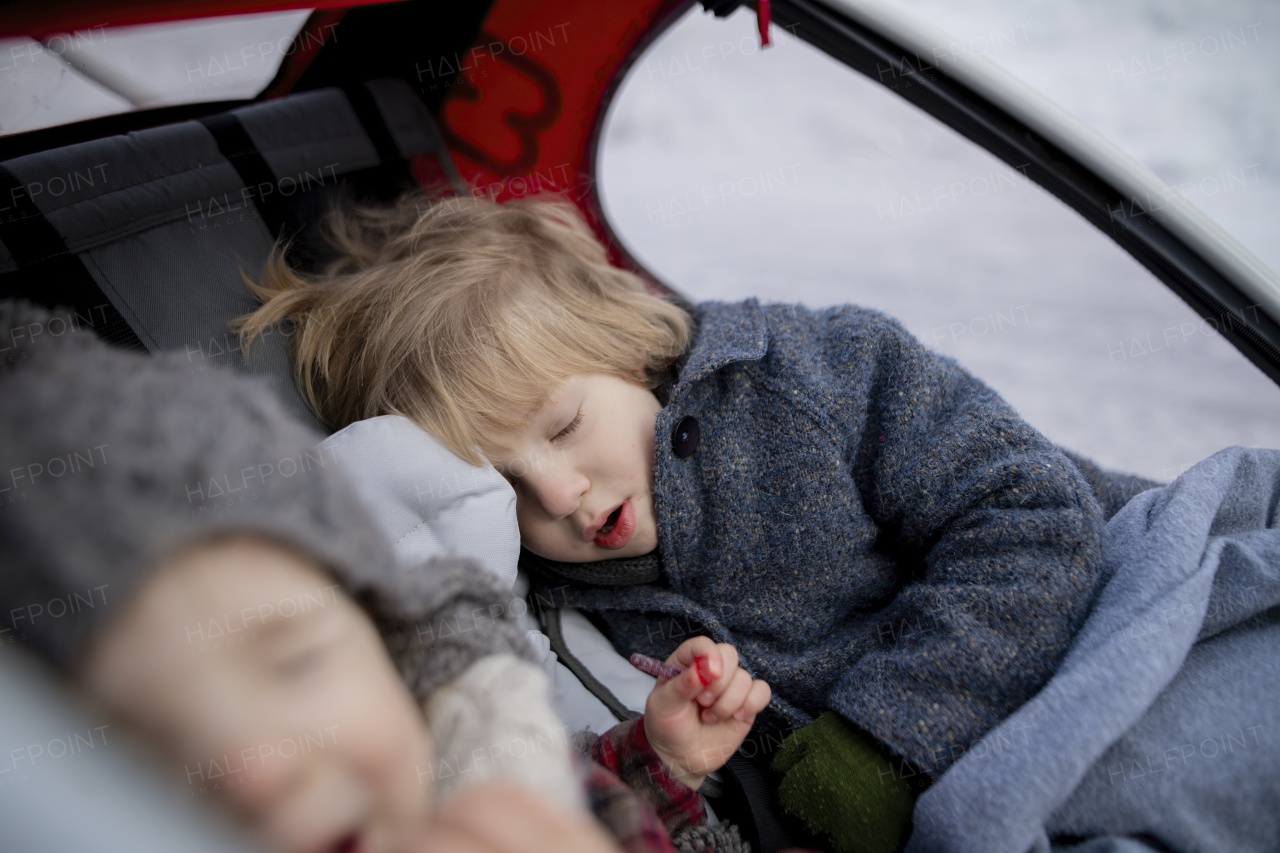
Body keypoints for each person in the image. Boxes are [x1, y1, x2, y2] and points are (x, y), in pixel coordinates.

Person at [235, 191, 1156, 853]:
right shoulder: (551, 601)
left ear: (627, 344)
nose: (559, 493)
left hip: (1116, 621)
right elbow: (575, 774)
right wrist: (667, 755)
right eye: (507, 487)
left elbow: (1029, 509)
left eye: (562, 426)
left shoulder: (811, 371)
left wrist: (888, 740)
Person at [0, 298, 777, 853]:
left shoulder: (507, 779)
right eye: (139, 749)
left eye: (296, 661)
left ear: (394, 641)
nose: (257, 770)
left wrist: (657, 761)